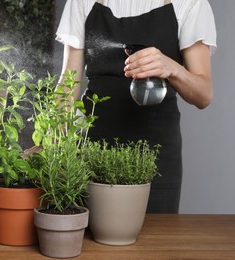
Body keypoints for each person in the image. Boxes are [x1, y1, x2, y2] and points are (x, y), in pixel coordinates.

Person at [55, 0, 217, 213]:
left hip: (155, 160)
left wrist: (172, 68)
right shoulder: (82, 2)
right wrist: (50, 140)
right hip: (89, 153)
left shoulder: (190, 4)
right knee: (88, 242)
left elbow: (204, 94)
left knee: (153, 242)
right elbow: (68, 85)